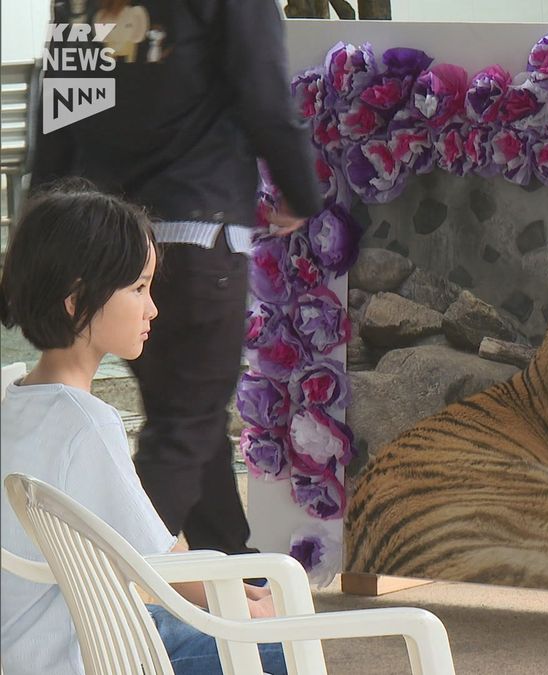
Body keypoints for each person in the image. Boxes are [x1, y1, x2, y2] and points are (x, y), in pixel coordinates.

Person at [33, 0, 322, 555]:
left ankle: (238, 583)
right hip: (196, 227)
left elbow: (60, 103)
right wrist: (302, 192)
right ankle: (104, 593)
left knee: (189, 420)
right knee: (183, 428)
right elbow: (262, 89)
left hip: (108, 242)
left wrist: (48, 224)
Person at [0, 183, 288, 675]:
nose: (152, 307)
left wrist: (233, 590)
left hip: (36, 644)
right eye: (138, 288)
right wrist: (249, 608)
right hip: (82, 653)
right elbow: (164, 570)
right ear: (77, 300)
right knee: (279, 648)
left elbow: (153, 538)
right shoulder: (85, 422)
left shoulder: (18, 399)